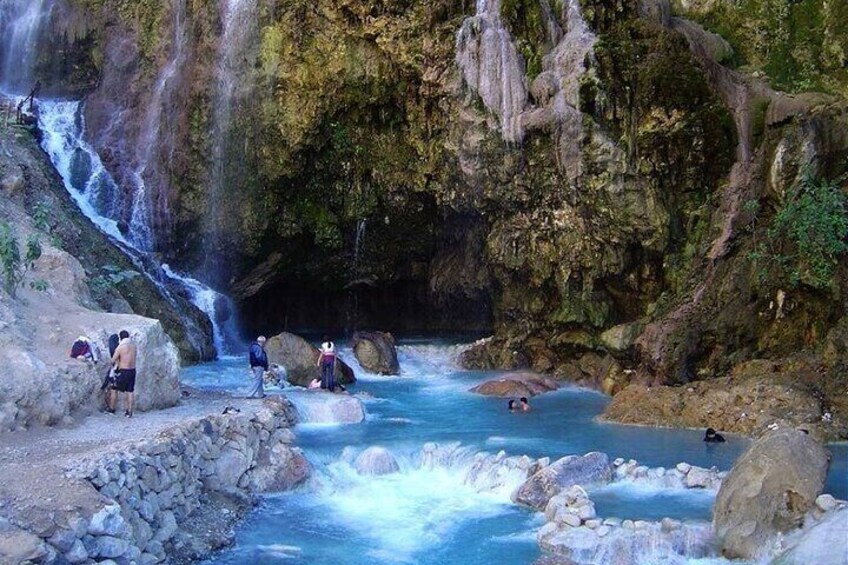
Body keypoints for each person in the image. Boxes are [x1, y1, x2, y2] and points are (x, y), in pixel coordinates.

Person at [110, 330, 137, 418]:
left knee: (114, 388)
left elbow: (113, 360)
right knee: (130, 391)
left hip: (123, 371)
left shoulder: (121, 347)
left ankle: (112, 409)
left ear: (121, 338)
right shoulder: (134, 346)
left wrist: (118, 361)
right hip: (132, 371)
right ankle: (129, 412)